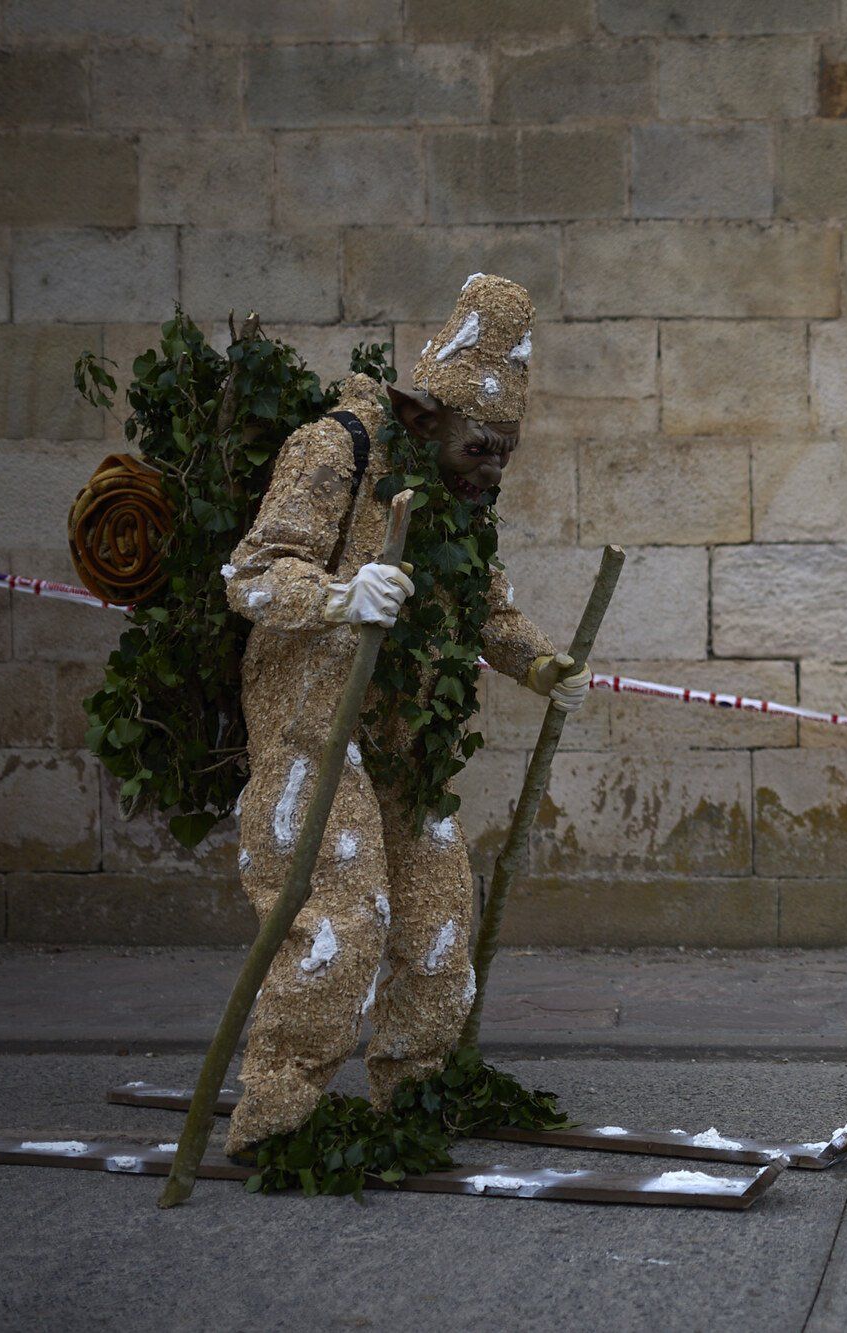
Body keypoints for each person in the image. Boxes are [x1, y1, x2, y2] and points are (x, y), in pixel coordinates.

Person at [221, 274, 588, 1154]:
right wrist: (342, 596)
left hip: (404, 744)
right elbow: (251, 573)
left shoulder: (463, 507)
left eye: (507, 452)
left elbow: (487, 610)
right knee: (342, 924)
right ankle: (276, 1116)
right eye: (480, 449)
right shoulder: (331, 450)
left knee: (438, 918)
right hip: (313, 731)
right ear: (426, 420)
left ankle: (415, 1102)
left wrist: (541, 663)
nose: (493, 470)